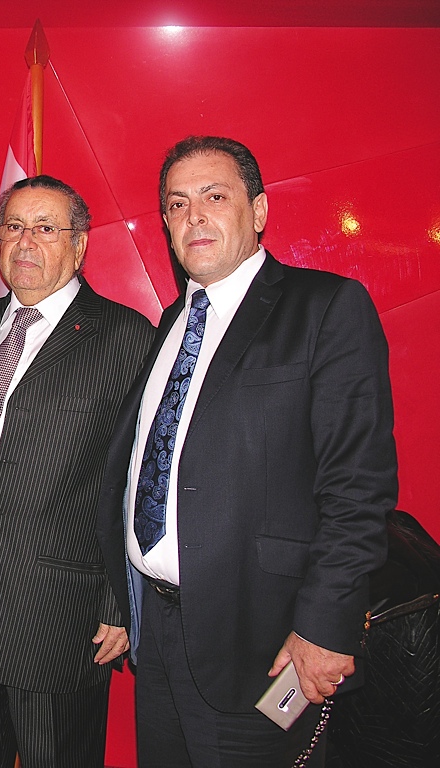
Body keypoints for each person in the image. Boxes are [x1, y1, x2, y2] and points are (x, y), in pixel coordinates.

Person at [99, 136, 398, 766]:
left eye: (214, 196)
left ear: (258, 211)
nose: (194, 216)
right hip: (158, 634)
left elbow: (358, 490)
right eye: (177, 204)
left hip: (268, 645)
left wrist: (324, 627)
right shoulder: (171, 323)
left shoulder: (325, 308)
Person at [0, 175, 156, 767]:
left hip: (60, 619)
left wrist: (121, 602)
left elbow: (138, 480)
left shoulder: (127, 337)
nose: (25, 242)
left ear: (79, 245)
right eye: (14, 227)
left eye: (46, 228)